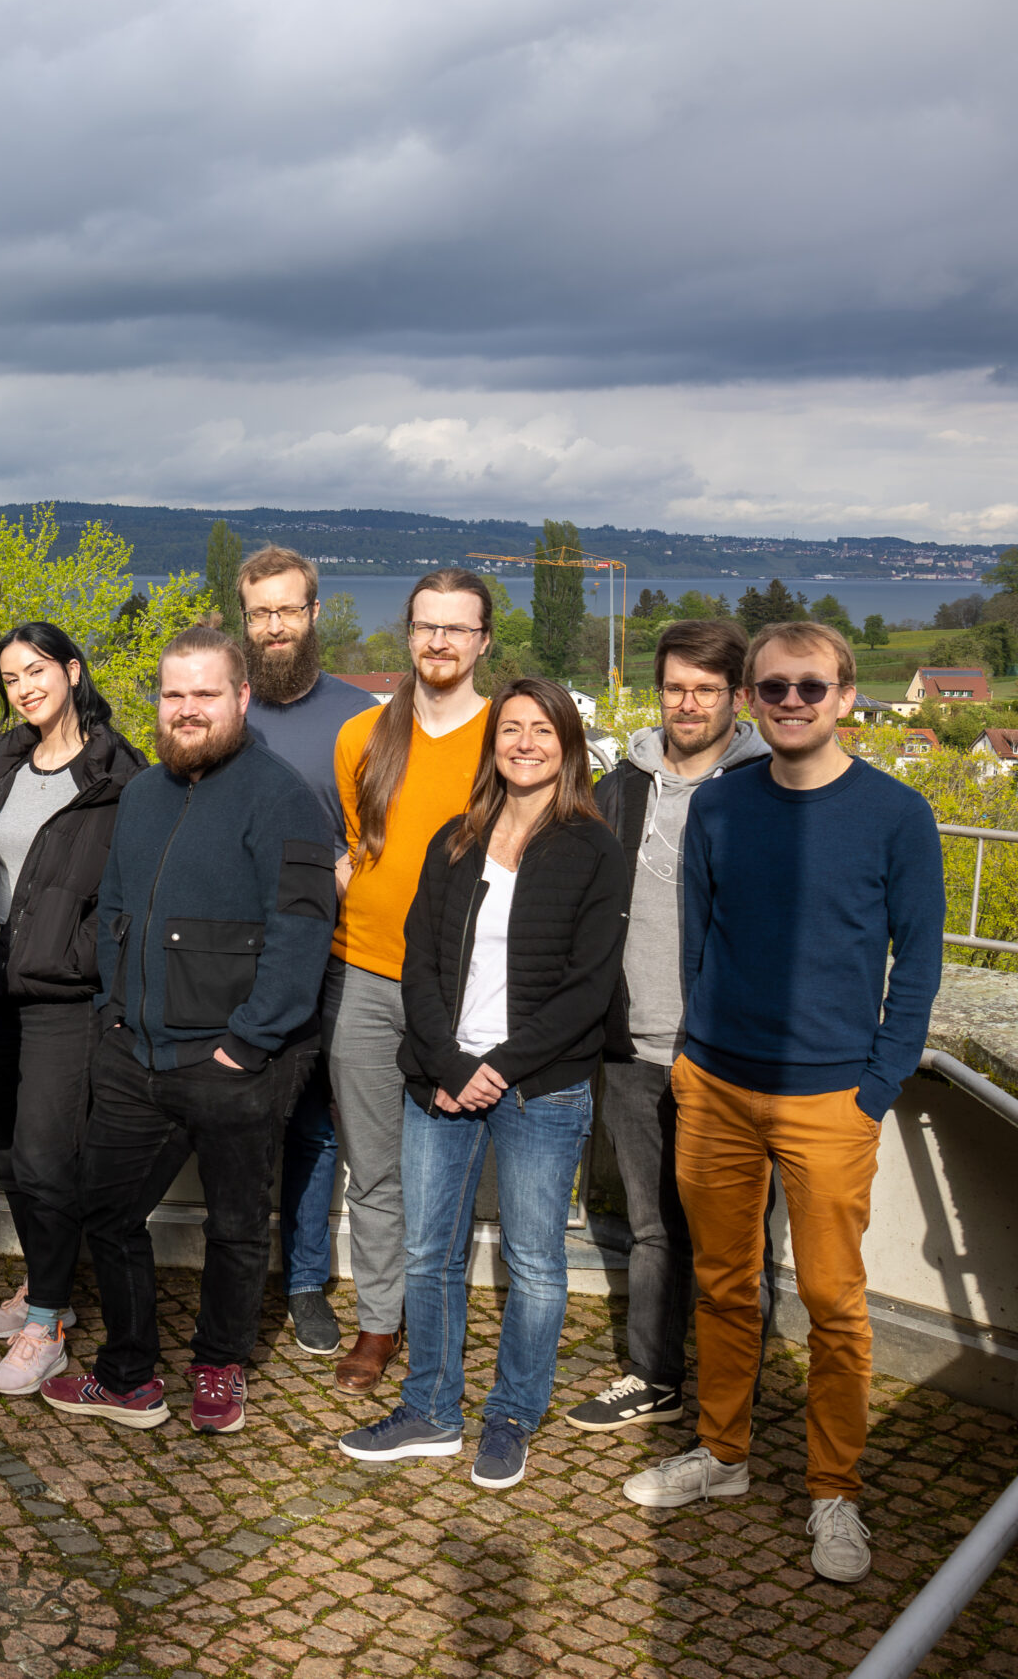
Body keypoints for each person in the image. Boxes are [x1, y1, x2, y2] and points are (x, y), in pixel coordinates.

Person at [622, 621, 943, 1586]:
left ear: (847, 697)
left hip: (829, 1102)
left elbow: (917, 968)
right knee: (724, 1284)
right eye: (773, 689)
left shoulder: (897, 815)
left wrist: (874, 1090)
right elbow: (697, 940)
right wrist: (689, 1060)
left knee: (835, 1306)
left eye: (812, 687)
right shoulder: (720, 808)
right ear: (751, 701)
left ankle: (832, 1489)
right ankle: (722, 1456)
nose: (792, 702)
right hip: (714, 1086)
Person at [36, 626, 335, 1435]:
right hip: (136, 1052)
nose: (188, 709)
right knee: (105, 1211)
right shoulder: (143, 792)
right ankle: (130, 1376)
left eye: (206, 693)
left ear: (241, 698)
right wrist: (112, 1017)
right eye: (174, 694)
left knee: (236, 1226)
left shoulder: (283, 797)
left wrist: (248, 1041)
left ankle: (218, 1366)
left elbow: (303, 930)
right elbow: (116, 913)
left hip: (239, 1060)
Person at [337, 680, 629, 1489]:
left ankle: (511, 1416)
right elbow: (419, 966)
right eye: (511, 728)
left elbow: (587, 987)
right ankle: (430, 1409)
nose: (525, 742)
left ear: (568, 744)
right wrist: (451, 1065)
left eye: (543, 729)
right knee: (430, 1253)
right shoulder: (454, 841)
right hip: (441, 1081)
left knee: (536, 1262)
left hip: (543, 1088)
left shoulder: (593, 849)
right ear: (492, 742)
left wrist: (497, 1068)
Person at [565, 620, 765, 1434]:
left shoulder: (766, 790)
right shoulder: (621, 788)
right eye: (676, 688)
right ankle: (654, 1376)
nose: (689, 704)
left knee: (730, 1239)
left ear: (736, 697)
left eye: (707, 691)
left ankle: (735, 1393)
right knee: (652, 1226)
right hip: (635, 1044)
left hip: (728, 1055)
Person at [326, 568, 498, 1393]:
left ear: (482, 641)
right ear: (409, 633)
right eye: (426, 626)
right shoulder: (364, 735)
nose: (438, 641)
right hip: (364, 974)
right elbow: (365, 848)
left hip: (460, 988)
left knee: (441, 1173)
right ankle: (379, 1321)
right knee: (374, 1166)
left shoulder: (510, 734)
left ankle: (434, 1323)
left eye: (456, 629)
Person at [0, 623, 147, 1396]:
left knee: (47, 1160)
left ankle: (46, 1324)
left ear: (72, 671)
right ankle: (52, 1289)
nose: (24, 687)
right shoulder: (2, 764)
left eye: (36, 670)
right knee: (7, 1151)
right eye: (10, 678)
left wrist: (92, 965)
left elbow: (130, 895)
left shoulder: (119, 773)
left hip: (66, 999)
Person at [235, 546, 378, 1358]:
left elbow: (386, 835)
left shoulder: (362, 714)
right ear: (246, 620)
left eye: (289, 609)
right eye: (261, 612)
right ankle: (241, 1269)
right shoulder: (224, 708)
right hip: (232, 952)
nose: (276, 625)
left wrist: (342, 870)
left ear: (315, 614)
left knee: (316, 1124)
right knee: (238, 1117)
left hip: (332, 952)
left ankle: (303, 1280)